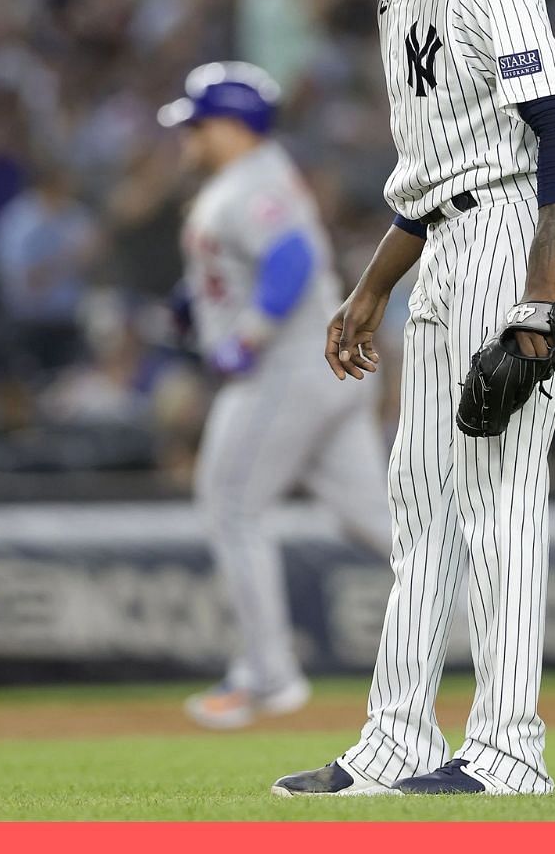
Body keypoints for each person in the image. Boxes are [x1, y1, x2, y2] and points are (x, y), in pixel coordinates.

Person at [268, 0, 555, 797]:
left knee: (498, 494)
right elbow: (429, 178)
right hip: (448, 246)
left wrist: (539, 303)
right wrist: (371, 290)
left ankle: (506, 752)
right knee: (419, 502)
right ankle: (396, 741)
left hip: (517, 226)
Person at [157, 62, 389, 731]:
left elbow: (291, 259)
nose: (190, 136)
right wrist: (196, 303)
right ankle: (492, 599)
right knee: (370, 519)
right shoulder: (245, 181)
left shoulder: (253, 182)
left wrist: (248, 336)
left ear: (232, 126)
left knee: (230, 505)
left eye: (199, 124)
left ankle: (267, 676)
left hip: (288, 367)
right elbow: (247, 260)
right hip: (326, 371)